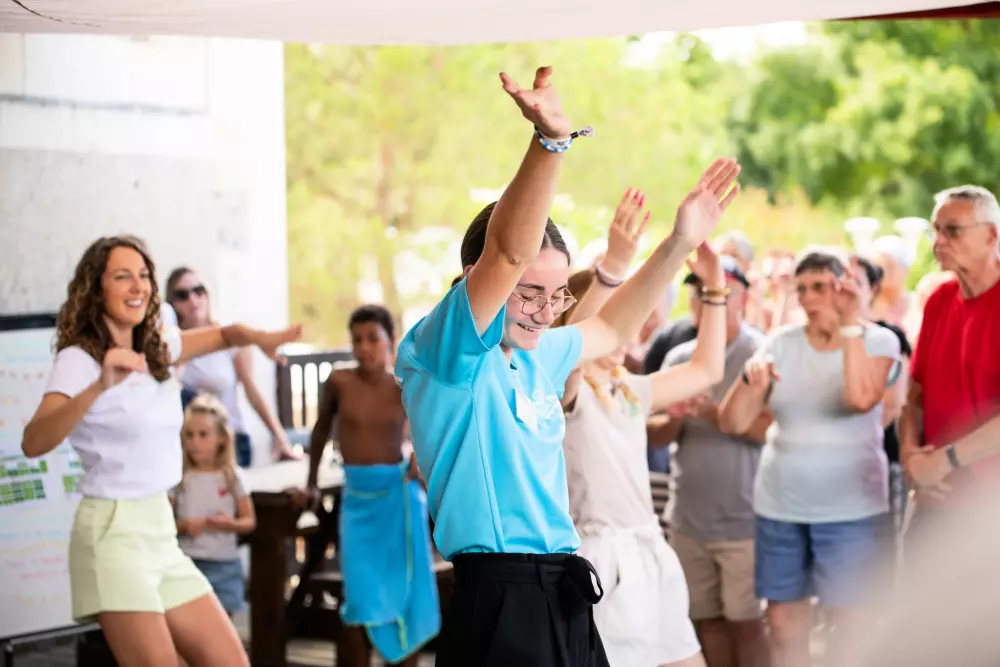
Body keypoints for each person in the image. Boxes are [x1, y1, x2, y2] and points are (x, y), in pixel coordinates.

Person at [394, 65, 740, 667]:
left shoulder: (538, 356)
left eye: (556, 296)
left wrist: (679, 242)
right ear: (477, 279)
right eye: (529, 292)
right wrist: (549, 142)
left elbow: (610, 329)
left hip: (564, 584)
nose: (545, 310)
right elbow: (507, 251)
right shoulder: (445, 351)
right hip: (500, 593)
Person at [20, 235, 301, 667]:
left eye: (144, 275)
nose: (138, 286)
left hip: (161, 534)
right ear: (96, 287)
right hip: (112, 533)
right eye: (122, 276)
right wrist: (99, 386)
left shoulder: (158, 346)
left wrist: (259, 337)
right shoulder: (80, 359)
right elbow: (34, 441)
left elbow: (224, 335)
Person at [555, 205, 728, 666]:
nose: (628, 328)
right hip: (602, 557)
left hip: (650, 548)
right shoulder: (565, 390)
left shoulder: (627, 388)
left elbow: (707, 369)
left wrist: (715, 288)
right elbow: (570, 354)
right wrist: (612, 267)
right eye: (616, 316)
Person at [718, 248, 900, 667]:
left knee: (850, 628)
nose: (808, 297)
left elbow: (860, 398)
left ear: (843, 287)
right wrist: (748, 383)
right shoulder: (781, 342)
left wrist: (849, 324)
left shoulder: (878, 340)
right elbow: (732, 422)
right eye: (801, 288)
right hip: (781, 506)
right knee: (783, 624)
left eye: (820, 286)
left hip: (852, 510)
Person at [301, 304, 437, 667]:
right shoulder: (339, 382)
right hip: (357, 500)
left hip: (399, 498)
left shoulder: (404, 384)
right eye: (357, 340)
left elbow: (429, 428)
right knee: (359, 601)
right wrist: (311, 483)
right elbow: (320, 431)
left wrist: (419, 456)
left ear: (391, 340)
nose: (364, 348)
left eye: (372, 339)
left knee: (407, 595)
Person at [658, 256, 770, 667]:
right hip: (689, 518)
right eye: (699, 294)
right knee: (705, 622)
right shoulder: (678, 358)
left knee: (748, 624)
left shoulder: (762, 354)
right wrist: (676, 415)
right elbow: (654, 435)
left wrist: (716, 414)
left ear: (743, 299)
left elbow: (772, 430)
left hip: (745, 519)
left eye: (720, 293)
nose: (706, 302)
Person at [901, 185, 1000, 543]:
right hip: (935, 500)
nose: (939, 241)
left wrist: (943, 461)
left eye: (953, 230)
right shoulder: (938, 300)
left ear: (991, 235)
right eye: (936, 230)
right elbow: (913, 395)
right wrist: (910, 456)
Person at [166, 266, 298, 466]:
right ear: (172, 303)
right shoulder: (170, 344)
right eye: (183, 295)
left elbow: (252, 389)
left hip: (228, 440)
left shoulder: (227, 336)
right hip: (187, 447)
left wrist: (280, 438)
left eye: (199, 290)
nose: (193, 300)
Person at [172, 395, 256, 618]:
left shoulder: (233, 477)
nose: (195, 441)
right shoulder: (179, 478)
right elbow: (165, 524)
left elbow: (249, 521)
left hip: (224, 564)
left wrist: (229, 524)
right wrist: (185, 525)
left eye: (203, 434)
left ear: (221, 437)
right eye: (189, 434)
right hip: (187, 562)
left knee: (223, 622)